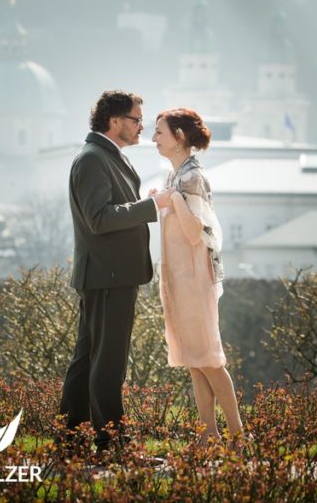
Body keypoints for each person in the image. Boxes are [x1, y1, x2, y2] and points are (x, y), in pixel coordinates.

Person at [59, 90, 174, 452]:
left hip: (109, 276)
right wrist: (151, 206)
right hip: (109, 277)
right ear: (114, 121)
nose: (143, 126)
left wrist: (143, 203)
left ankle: (71, 437)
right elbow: (100, 219)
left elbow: (113, 208)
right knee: (108, 364)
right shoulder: (93, 159)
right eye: (137, 120)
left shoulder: (106, 155)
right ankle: (113, 444)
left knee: (87, 359)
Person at [151, 108, 244, 442]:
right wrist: (164, 200)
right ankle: (208, 434)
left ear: (179, 136)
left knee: (209, 358)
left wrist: (171, 200)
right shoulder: (175, 177)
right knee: (194, 359)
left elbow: (197, 232)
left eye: (159, 132)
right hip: (179, 275)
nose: (153, 138)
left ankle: (237, 434)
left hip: (195, 277)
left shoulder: (192, 179)